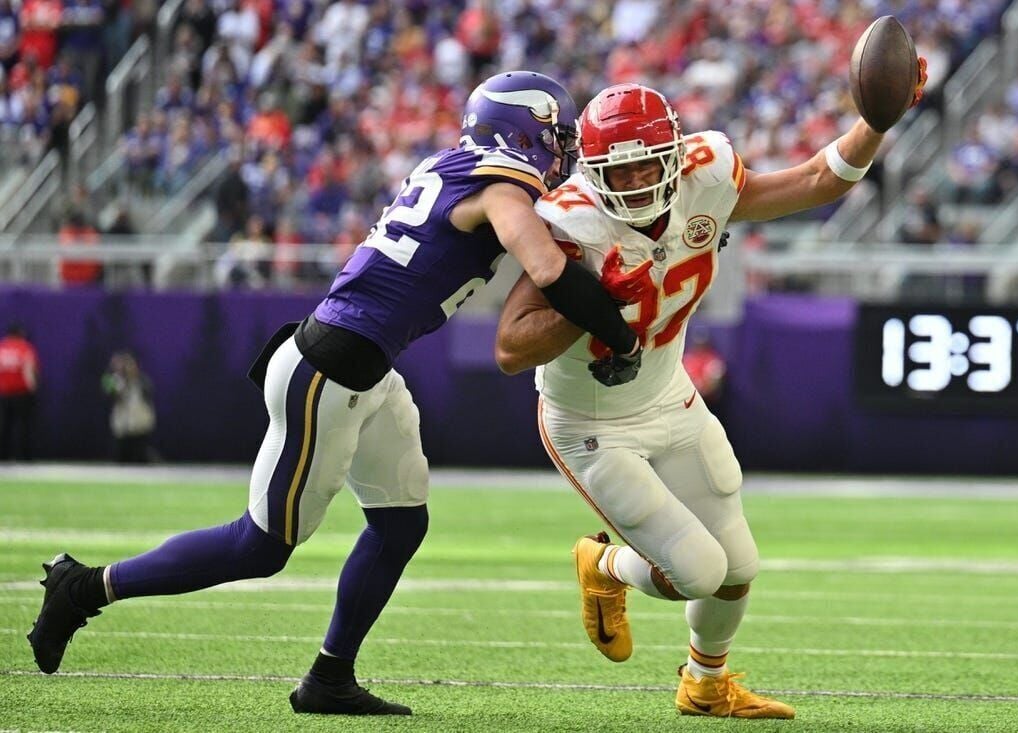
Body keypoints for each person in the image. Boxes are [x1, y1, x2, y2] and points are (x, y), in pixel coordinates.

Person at [28, 71, 642, 715]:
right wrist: (620, 334)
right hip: (329, 371)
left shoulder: (459, 166)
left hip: (365, 370)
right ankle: (86, 587)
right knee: (258, 547)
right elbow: (547, 269)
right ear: (523, 132)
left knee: (402, 521)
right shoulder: (498, 182)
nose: (565, 150)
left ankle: (329, 677)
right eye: (557, 136)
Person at [495, 65, 926, 719]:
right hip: (592, 422)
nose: (638, 182)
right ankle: (604, 565)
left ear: (675, 153)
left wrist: (875, 122)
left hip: (670, 394)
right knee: (695, 569)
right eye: (621, 171)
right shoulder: (570, 222)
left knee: (738, 565)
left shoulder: (708, 174)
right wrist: (593, 303)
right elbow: (510, 345)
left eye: (649, 167)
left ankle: (704, 683)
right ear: (592, 172)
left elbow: (816, 180)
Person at [102, 350, 157, 464]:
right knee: (120, 460)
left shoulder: (142, 381)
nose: (127, 368)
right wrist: (117, 374)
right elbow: (110, 393)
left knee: (140, 460)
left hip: (140, 428)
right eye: (125, 365)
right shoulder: (114, 381)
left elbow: (149, 393)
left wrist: (131, 377)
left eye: (129, 364)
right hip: (122, 430)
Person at [0, 323, 39, 461]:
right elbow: (28, 370)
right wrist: (32, 388)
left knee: (4, 426)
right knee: (23, 426)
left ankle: (3, 456)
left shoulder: (2, 348)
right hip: (21, 393)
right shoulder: (24, 348)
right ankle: (24, 457)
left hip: (4, 394)